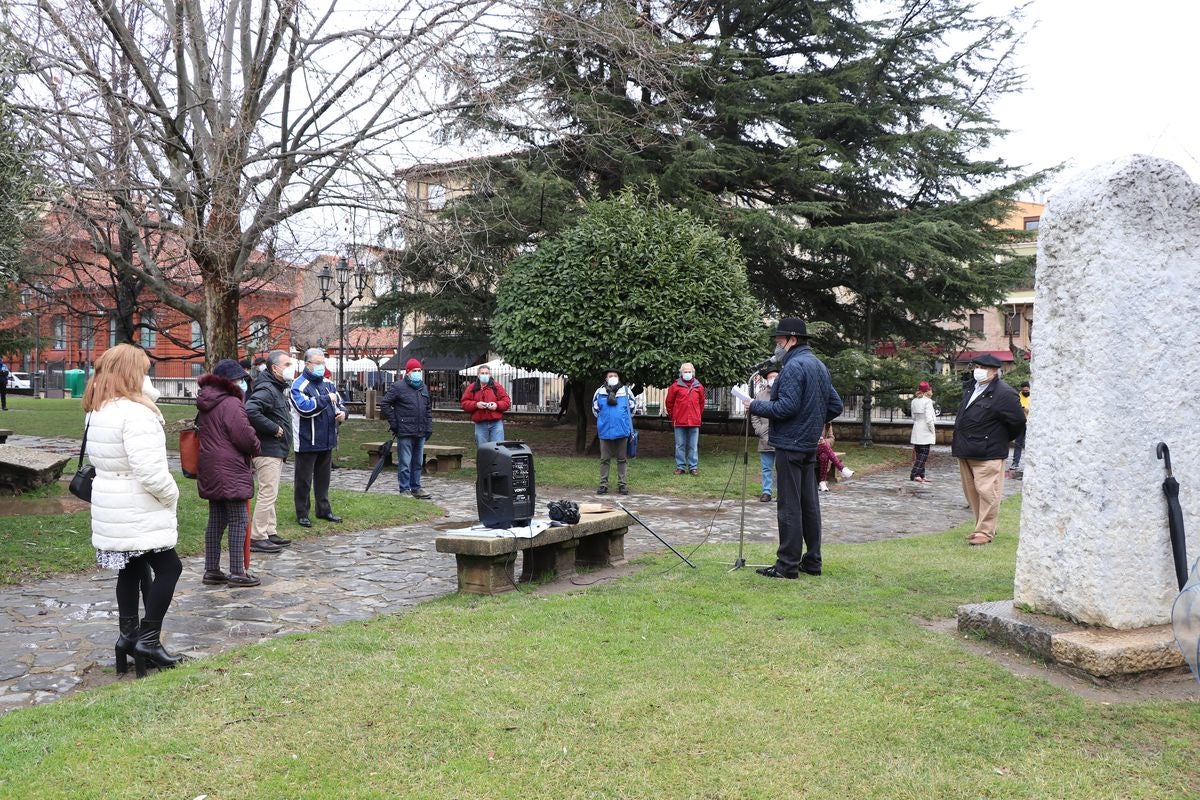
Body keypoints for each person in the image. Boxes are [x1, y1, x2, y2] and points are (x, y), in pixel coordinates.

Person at [84, 343, 184, 676]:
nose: (147, 375)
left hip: (113, 500)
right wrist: (171, 494)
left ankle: (128, 637)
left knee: (131, 566)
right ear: (132, 373)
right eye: (143, 370)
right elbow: (149, 470)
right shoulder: (136, 412)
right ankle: (149, 638)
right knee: (170, 568)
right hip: (137, 501)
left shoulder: (99, 408)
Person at [746, 318, 843, 579]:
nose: (777, 347)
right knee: (809, 504)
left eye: (779, 342)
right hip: (809, 443)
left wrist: (754, 405)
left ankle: (787, 565)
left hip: (790, 444)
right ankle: (812, 561)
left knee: (789, 506)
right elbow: (835, 406)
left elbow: (785, 407)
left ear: (792, 340)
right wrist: (812, 421)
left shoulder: (793, 366)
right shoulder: (819, 366)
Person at [197, 359, 262, 587]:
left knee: (216, 519)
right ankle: (237, 571)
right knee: (238, 519)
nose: (242, 383)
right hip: (230, 466)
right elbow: (243, 435)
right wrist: (256, 445)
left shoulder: (206, 401)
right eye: (239, 379)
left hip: (210, 466)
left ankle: (212, 569)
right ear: (231, 382)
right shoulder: (231, 404)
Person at [952, 354, 1026, 546]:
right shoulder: (971, 387)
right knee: (972, 493)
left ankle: (985, 531)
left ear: (994, 371)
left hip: (988, 451)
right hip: (965, 449)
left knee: (987, 492)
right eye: (977, 365)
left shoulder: (1004, 393)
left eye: (983, 367)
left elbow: (1018, 422)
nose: (978, 370)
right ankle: (980, 527)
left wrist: (999, 438)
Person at [245, 350, 296, 553]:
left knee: (271, 492)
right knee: (268, 493)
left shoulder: (275, 387)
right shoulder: (267, 388)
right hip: (267, 450)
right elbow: (250, 410)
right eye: (287, 365)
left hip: (275, 449)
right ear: (275, 368)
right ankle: (257, 536)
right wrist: (274, 428)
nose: (290, 368)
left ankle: (269, 531)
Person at [289, 347, 346, 527]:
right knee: (303, 481)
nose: (322, 366)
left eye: (323, 363)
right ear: (308, 364)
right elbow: (305, 408)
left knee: (323, 480)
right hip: (307, 440)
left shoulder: (328, 384)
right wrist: (326, 399)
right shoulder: (298, 385)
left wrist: (343, 413)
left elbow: (341, 404)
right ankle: (302, 513)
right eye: (318, 363)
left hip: (327, 439)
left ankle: (324, 510)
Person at [380, 358, 434, 499]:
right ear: (408, 372)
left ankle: (416, 487)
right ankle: (404, 488)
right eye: (414, 371)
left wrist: (428, 427)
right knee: (405, 462)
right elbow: (385, 404)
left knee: (418, 462)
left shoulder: (423, 387)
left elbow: (428, 409)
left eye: (419, 371)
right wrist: (395, 422)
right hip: (404, 430)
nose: (417, 373)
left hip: (420, 430)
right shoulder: (398, 387)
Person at [592, 368, 635, 496]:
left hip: (622, 431)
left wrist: (623, 421)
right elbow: (595, 410)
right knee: (604, 459)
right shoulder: (599, 392)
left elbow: (632, 409)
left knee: (622, 459)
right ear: (606, 378)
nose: (612, 377)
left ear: (619, 377)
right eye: (610, 375)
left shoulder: (626, 392)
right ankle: (603, 485)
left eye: (615, 375)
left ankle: (622, 485)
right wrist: (603, 421)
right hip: (605, 431)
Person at [665, 362, 705, 475]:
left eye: (689, 371)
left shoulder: (699, 386)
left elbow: (701, 403)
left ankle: (693, 467)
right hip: (679, 421)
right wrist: (674, 416)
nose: (687, 373)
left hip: (694, 421)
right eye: (685, 371)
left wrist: (697, 415)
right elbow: (669, 403)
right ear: (681, 373)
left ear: (693, 373)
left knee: (693, 445)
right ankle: (680, 467)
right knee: (680, 445)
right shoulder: (675, 386)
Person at [460, 364, 511, 447]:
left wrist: (496, 405)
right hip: (480, 423)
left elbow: (506, 402)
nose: (484, 375)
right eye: (482, 373)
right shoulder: (472, 387)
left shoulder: (497, 386)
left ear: (490, 375)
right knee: (482, 449)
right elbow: (464, 403)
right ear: (478, 375)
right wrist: (476, 404)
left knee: (499, 448)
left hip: (496, 423)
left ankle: (497, 460)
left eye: (486, 373)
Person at [750, 369, 778, 502]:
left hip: (781, 438)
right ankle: (766, 491)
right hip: (765, 438)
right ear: (766, 380)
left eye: (775, 376)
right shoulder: (760, 396)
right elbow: (754, 415)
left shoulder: (784, 393)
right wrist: (759, 430)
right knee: (766, 467)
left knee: (782, 468)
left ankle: (781, 492)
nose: (773, 379)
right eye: (770, 377)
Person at [909, 380, 937, 484]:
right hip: (925, 429)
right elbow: (929, 419)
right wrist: (932, 430)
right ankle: (915, 473)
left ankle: (921, 474)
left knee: (919, 452)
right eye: (930, 389)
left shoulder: (914, 401)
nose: (932, 391)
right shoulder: (927, 401)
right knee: (923, 454)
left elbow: (913, 416)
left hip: (917, 428)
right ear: (927, 391)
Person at [816, 423, 853, 492]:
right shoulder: (810, 419)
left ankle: (822, 482)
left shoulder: (827, 422)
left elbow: (832, 439)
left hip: (822, 449)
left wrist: (824, 441)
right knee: (824, 446)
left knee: (824, 456)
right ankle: (841, 468)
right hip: (808, 448)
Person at [1010, 381, 1031, 472]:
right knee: (1018, 443)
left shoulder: (1034, 396)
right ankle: (1015, 463)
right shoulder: (1017, 397)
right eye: (1024, 390)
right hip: (1021, 423)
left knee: (1030, 444)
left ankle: (1030, 464)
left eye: (1027, 390)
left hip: (1031, 424)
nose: (1025, 392)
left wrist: (1027, 410)